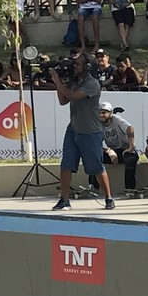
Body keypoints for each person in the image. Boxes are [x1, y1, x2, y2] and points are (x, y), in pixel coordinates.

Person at [50, 52, 115, 211]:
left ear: (87, 67)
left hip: (90, 132)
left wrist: (58, 82)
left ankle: (109, 198)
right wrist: (61, 82)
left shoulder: (92, 84)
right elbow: (63, 101)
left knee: (96, 167)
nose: (74, 66)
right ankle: (64, 200)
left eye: (77, 64)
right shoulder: (74, 81)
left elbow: (73, 95)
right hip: (73, 129)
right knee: (66, 165)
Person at [87, 102, 139, 191]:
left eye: (104, 112)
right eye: (99, 112)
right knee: (94, 157)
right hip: (112, 152)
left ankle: (130, 189)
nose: (101, 115)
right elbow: (93, 144)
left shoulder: (116, 119)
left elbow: (130, 128)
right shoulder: (97, 124)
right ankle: (93, 187)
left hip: (124, 150)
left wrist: (130, 146)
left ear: (110, 113)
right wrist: (107, 150)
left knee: (130, 159)